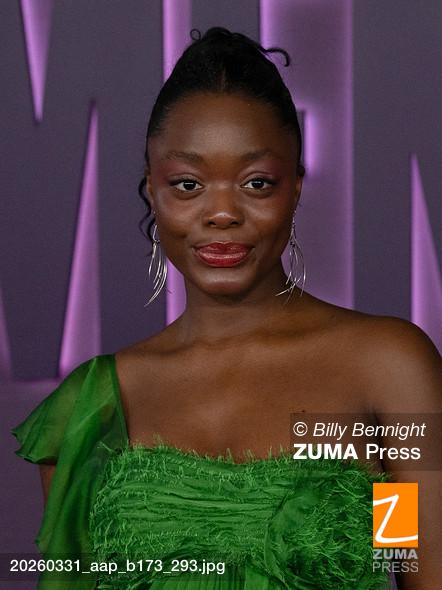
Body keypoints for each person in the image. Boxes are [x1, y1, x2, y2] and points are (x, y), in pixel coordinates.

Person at [12, 27, 441, 590]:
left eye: (256, 182)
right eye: (188, 184)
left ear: (295, 188)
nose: (221, 213)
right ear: (151, 190)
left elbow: (413, 568)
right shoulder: (93, 409)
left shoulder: (385, 367)